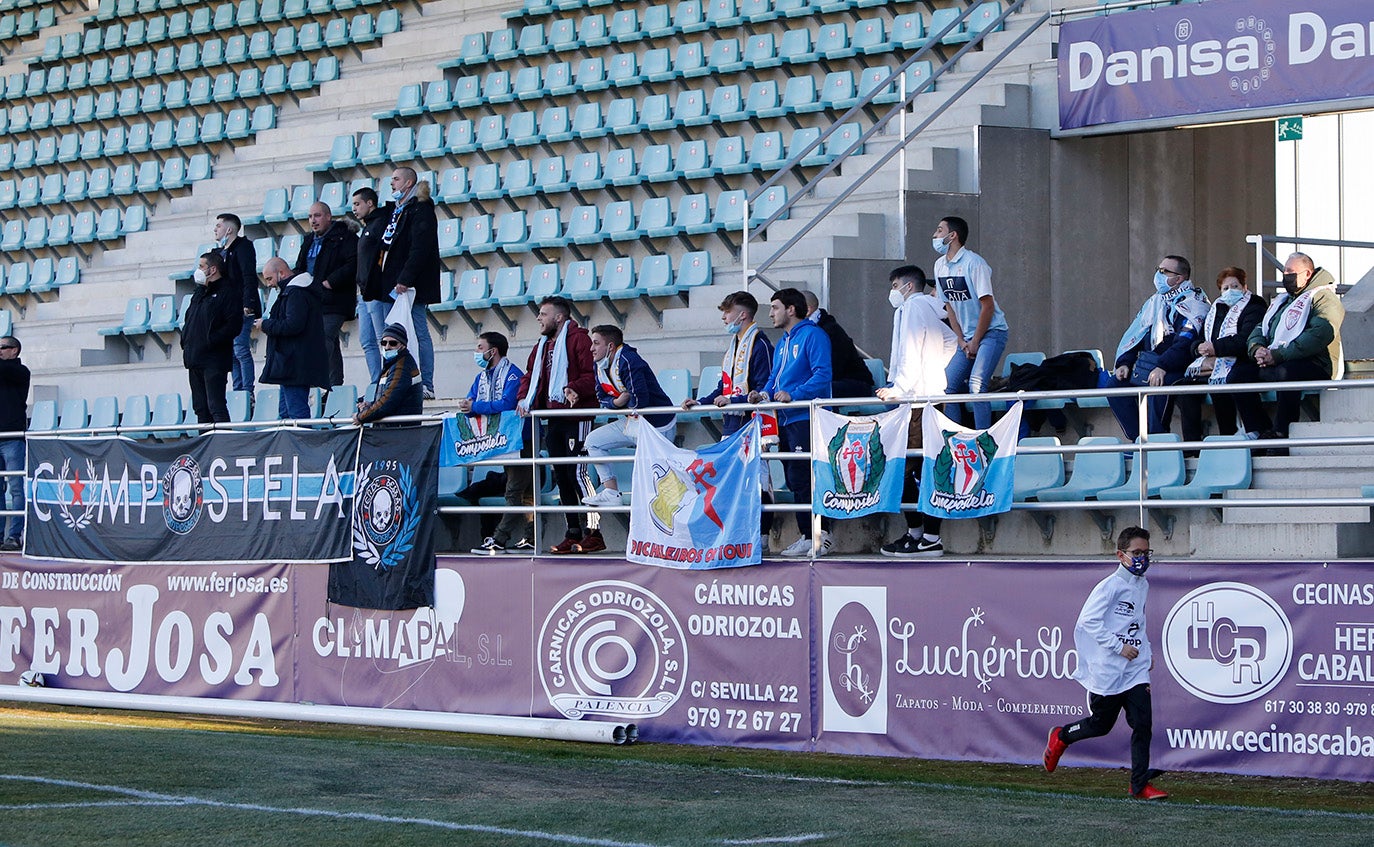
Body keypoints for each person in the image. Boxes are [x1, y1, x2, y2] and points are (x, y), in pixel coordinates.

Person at [1043, 526, 1167, 801]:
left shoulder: (1142, 584)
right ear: (1120, 555)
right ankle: (1062, 736)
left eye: (1147, 553)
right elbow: (1089, 622)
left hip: (1134, 670)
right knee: (1101, 725)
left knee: (1143, 723)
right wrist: (1118, 647)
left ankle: (1139, 786)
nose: (1142, 558)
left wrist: (1144, 652)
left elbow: (1137, 624)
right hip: (1108, 669)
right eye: (1137, 553)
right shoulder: (1109, 586)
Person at [876, 265, 958, 557]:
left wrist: (900, 387)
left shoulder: (912, 309)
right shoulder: (931, 308)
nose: (893, 291)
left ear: (908, 286)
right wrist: (934, 371)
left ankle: (927, 536)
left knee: (907, 466)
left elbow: (909, 352)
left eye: (895, 284)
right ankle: (920, 533)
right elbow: (950, 342)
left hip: (918, 400)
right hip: (931, 394)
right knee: (922, 465)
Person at [748, 288, 832, 557]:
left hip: (805, 416)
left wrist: (794, 394)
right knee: (795, 479)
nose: (771, 313)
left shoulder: (814, 335)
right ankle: (808, 536)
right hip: (784, 418)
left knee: (808, 478)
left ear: (791, 309)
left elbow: (823, 375)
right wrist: (763, 394)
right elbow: (774, 378)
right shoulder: (783, 341)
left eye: (774, 307)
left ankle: (823, 535)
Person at [516, 296, 601, 554]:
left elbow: (592, 375)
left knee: (579, 474)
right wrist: (523, 398)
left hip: (578, 417)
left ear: (559, 317)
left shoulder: (579, 339)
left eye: (543, 314)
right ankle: (572, 531)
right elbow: (530, 376)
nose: (539, 319)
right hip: (552, 417)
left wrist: (573, 388)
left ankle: (594, 531)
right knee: (561, 476)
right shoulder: (541, 345)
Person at [1239, 252, 1345, 445]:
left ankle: (1282, 433)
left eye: (1290, 272)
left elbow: (1319, 334)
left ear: (1307, 274)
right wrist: (1257, 349)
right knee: (1239, 375)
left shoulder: (1324, 298)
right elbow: (1260, 328)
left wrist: (1278, 355)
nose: (1285, 276)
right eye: (1284, 271)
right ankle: (1260, 431)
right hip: (1277, 360)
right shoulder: (1283, 301)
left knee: (1287, 372)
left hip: (1315, 365)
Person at [1105, 255, 1210, 441]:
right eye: (1158, 269)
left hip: (1179, 367)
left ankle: (1156, 440)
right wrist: (1125, 362)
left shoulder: (1194, 304)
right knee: (1114, 384)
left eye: (1164, 271)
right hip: (1153, 363)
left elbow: (1184, 343)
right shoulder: (1155, 302)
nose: (1158, 275)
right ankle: (1138, 440)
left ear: (1179, 278)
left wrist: (1162, 366)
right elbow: (1138, 334)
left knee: (1158, 383)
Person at [582, 325, 677, 510]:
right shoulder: (598, 364)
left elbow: (640, 399)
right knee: (593, 441)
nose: (591, 348)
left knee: (658, 481)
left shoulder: (629, 360)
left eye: (596, 343)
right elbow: (601, 397)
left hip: (657, 425)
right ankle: (611, 492)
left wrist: (621, 403)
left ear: (610, 346)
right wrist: (617, 403)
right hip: (632, 421)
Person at [459, 332, 534, 556]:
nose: (477, 352)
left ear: (493, 351)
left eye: (480, 348)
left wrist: (475, 407)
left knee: (513, 491)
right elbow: (471, 401)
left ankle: (500, 539)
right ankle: (529, 537)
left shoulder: (512, 375)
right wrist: (469, 406)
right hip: (502, 443)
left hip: (521, 440)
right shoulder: (481, 377)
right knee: (524, 492)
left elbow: (507, 404)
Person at [932, 215, 1009, 430]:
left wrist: (975, 340)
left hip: (991, 333)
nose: (935, 235)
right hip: (966, 337)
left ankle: (983, 438)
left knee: (977, 385)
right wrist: (961, 338)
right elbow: (949, 306)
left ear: (952, 235)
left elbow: (988, 305)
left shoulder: (975, 263)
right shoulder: (939, 266)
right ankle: (958, 438)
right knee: (948, 387)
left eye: (939, 230)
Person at [1175, 267, 1268, 443]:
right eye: (1226, 288)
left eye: (1235, 286)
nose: (1230, 291)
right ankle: (1192, 444)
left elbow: (1244, 340)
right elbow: (1200, 339)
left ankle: (1232, 434)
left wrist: (1215, 349)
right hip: (1213, 363)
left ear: (1245, 287)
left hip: (1243, 361)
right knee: (1184, 389)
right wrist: (1199, 349)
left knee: (1227, 380)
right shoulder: (1216, 310)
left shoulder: (1255, 307)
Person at [374, 167, 440, 399]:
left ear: (409, 182)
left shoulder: (420, 209)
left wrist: (405, 278)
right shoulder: (396, 210)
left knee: (419, 331)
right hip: (389, 285)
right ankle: (392, 383)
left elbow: (420, 248)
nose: (391, 183)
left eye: (396, 179)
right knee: (390, 335)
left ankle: (426, 383)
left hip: (409, 286)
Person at [683, 291, 774, 437]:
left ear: (742, 315)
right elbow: (723, 387)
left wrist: (732, 400)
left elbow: (764, 390)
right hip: (730, 424)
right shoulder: (733, 348)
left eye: (727, 311)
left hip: (753, 425)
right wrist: (699, 402)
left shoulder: (760, 345)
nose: (723, 317)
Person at [294, 202, 358, 389]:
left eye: (317, 216)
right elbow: (300, 267)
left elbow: (353, 263)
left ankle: (326, 384)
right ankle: (334, 385)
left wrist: (331, 281)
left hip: (335, 300)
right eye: (310, 217)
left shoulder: (345, 237)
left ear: (329, 216)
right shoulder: (308, 240)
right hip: (313, 300)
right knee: (329, 341)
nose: (313, 221)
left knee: (324, 338)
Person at [256, 257, 328, 421]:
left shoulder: (296, 292)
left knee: (296, 415)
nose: (268, 284)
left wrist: (266, 325)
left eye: (269, 279)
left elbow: (293, 325)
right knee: (286, 415)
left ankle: (301, 446)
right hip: (291, 363)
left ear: (281, 272)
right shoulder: (294, 291)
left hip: (294, 363)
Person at [181, 251, 242, 425]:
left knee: (216, 406)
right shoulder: (200, 292)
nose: (198, 270)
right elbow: (190, 319)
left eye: (201, 266)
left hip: (214, 360)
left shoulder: (228, 292)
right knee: (200, 408)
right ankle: (205, 449)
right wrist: (185, 340)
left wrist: (210, 341)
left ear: (213, 269)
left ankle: (224, 447)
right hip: (194, 359)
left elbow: (233, 326)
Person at [216, 213, 260, 400]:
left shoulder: (243, 247)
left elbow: (248, 276)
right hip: (226, 309)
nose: (215, 230)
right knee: (231, 352)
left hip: (241, 306)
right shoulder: (217, 253)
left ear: (229, 229)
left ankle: (247, 391)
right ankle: (238, 391)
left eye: (218, 226)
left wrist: (248, 303)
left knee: (240, 348)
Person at [803, 290, 875, 399]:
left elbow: (832, 369)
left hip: (854, 384)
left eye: (793, 308)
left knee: (816, 390)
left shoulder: (830, 331)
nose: (789, 312)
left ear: (807, 310)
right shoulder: (802, 332)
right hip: (836, 381)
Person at [352, 186, 389, 384]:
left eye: (358, 204)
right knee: (366, 340)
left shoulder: (380, 223)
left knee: (382, 339)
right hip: (363, 293)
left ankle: (387, 379)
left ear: (370, 203)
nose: (354, 209)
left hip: (375, 291)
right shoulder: (367, 226)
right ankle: (376, 381)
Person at [353, 323, 423, 424]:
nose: (387, 347)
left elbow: (388, 402)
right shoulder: (393, 364)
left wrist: (361, 417)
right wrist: (370, 405)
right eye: (384, 343)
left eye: (393, 343)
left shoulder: (401, 366)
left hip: (400, 432)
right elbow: (388, 398)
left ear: (402, 345)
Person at [0, 334, 29, 551]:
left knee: (16, 488)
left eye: (3, 347)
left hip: (12, 438)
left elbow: (6, 371)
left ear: (14, 350)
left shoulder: (20, 371)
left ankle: (15, 535)